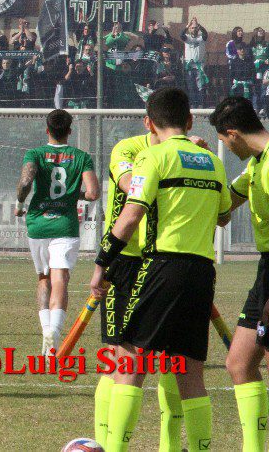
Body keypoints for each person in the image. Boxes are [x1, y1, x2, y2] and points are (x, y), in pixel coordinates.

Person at [89, 87, 231, 452]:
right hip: (203, 273)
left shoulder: (152, 157)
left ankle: (115, 448)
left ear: (149, 123)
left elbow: (130, 216)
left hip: (162, 267)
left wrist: (102, 262)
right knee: (191, 372)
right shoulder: (212, 161)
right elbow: (223, 216)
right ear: (190, 120)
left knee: (129, 361)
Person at [90, 126, 195, 451]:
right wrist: (179, 160)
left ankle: (170, 445)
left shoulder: (177, 154)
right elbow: (130, 184)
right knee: (116, 357)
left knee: (172, 357)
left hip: (162, 261)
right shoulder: (126, 148)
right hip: (124, 259)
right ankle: (104, 443)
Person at [208, 97, 269, 452]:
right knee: (239, 362)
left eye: (224, 142)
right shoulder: (256, 165)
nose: (227, 149)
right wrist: (205, 167)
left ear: (233, 134)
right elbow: (223, 209)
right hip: (265, 270)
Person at [15, 110, 99, 354]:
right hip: (65, 224)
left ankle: (45, 331)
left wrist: (19, 204)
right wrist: (74, 194)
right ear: (69, 131)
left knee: (44, 278)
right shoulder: (81, 157)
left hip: (38, 223)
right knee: (60, 278)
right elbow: (93, 193)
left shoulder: (35, 154)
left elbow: (25, 183)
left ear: (47, 130)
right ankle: (55, 330)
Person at [180, 17, 209, 108]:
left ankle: (201, 105)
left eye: (195, 28)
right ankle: (193, 105)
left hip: (199, 66)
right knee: (191, 86)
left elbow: (205, 34)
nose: (194, 29)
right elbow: (181, 35)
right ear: (189, 29)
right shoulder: (187, 38)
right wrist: (188, 25)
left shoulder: (201, 38)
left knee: (201, 86)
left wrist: (199, 26)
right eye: (192, 28)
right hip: (189, 66)